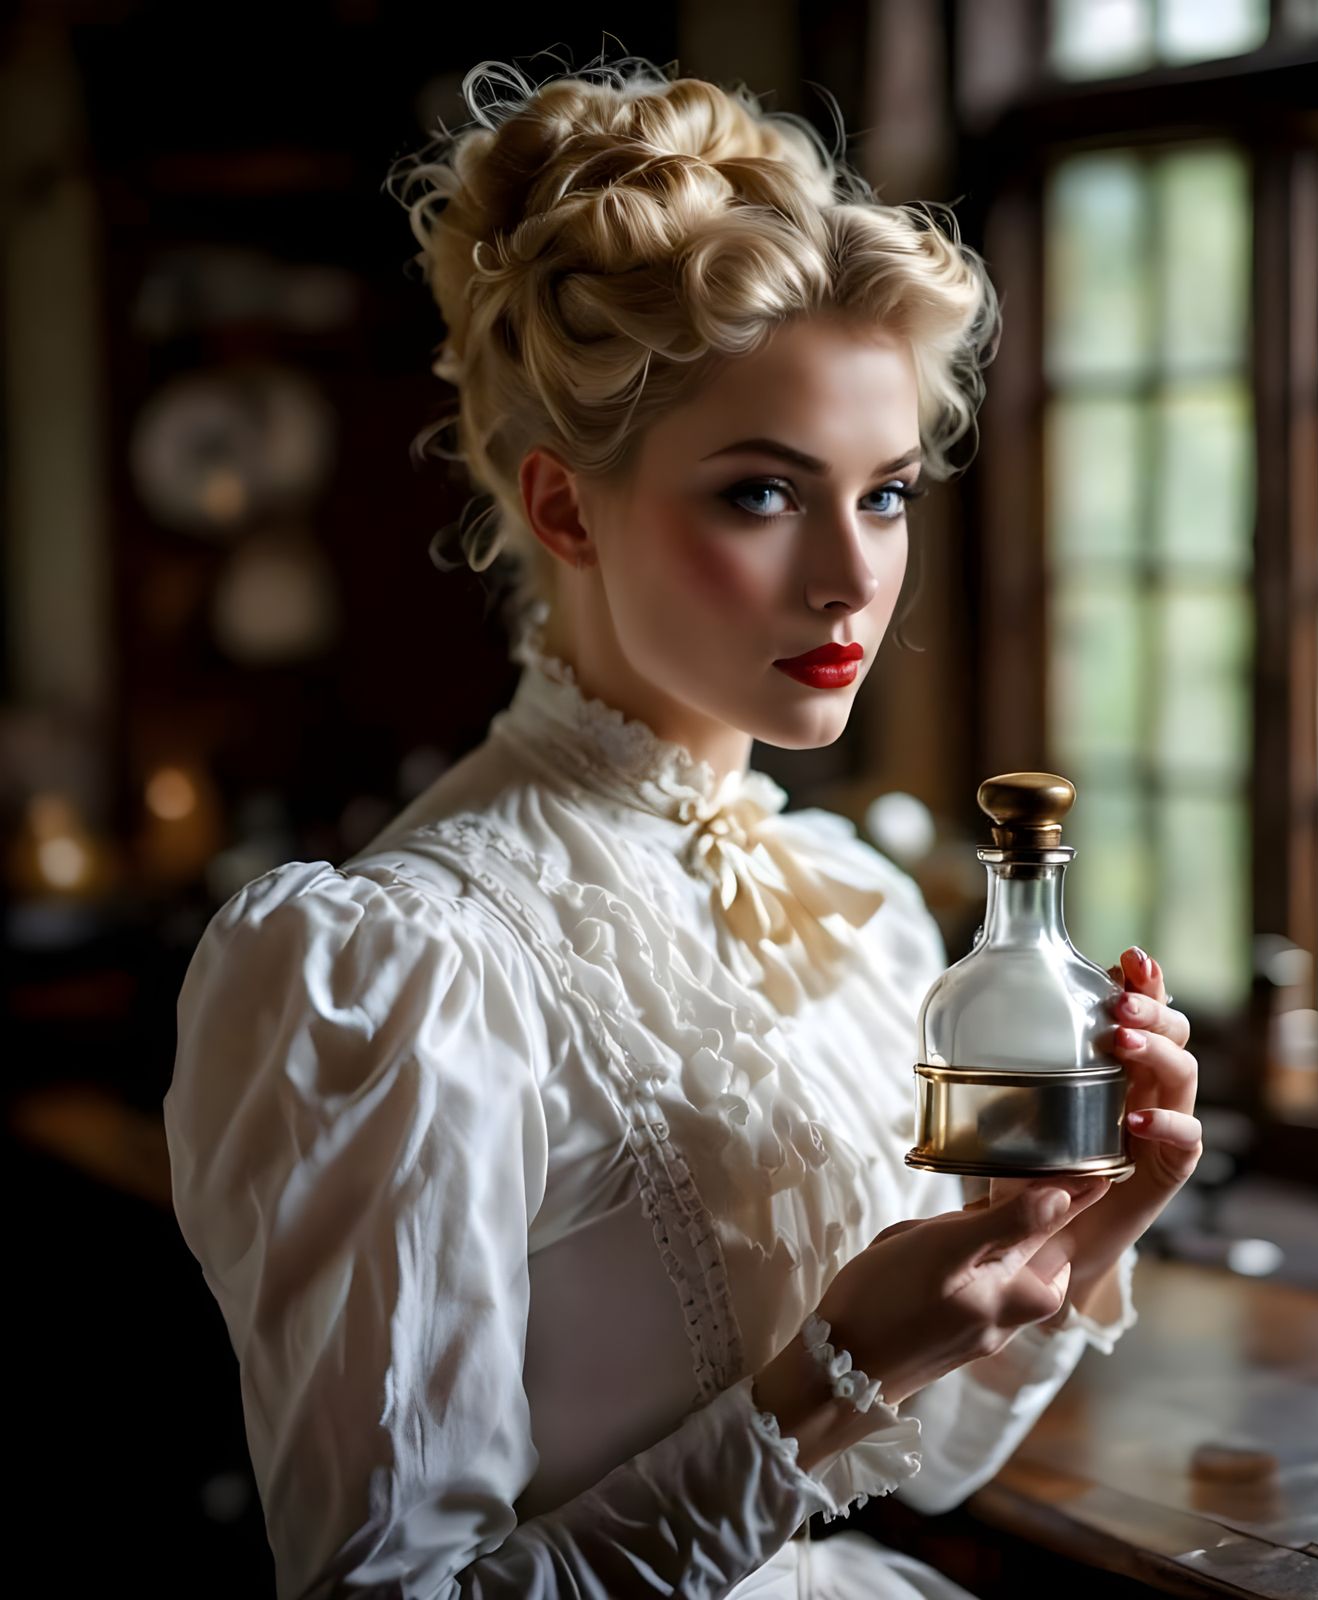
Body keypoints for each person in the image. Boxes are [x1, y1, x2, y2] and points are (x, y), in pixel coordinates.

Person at [162, 51, 1204, 1600]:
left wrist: (1069, 1243)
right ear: (567, 507)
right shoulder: (397, 974)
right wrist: (831, 1367)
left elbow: (910, 1461)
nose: (854, 581)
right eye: (765, 496)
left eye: (888, 493)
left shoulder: (859, 907)